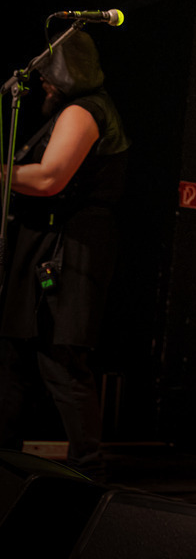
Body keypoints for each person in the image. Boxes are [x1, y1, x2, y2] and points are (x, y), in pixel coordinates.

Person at [0, 30, 129, 477]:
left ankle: (86, 470)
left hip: (66, 248)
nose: (44, 86)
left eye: (50, 78)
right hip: (52, 243)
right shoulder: (84, 108)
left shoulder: (82, 110)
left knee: (60, 356)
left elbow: (50, 178)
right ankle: (9, 459)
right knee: (19, 355)